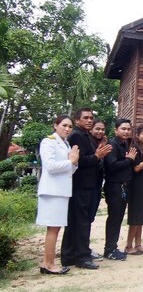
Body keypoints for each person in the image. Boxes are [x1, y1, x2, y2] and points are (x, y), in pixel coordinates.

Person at [61, 108, 111, 270]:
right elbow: (78, 161)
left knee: (77, 221)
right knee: (81, 222)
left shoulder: (87, 136)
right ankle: (82, 257)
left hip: (89, 185)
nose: (89, 120)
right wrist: (97, 156)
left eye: (91, 118)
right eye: (86, 118)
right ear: (77, 120)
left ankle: (69, 255)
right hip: (81, 185)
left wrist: (99, 150)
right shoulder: (76, 135)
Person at [37, 115, 79, 274]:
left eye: (70, 126)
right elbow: (51, 166)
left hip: (62, 191)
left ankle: (48, 262)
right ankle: (48, 264)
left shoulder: (66, 144)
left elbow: (71, 169)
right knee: (53, 228)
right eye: (64, 125)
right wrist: (70, 161)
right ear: (55, 125)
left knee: (56, 228)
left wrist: (74, 162)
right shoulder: (48, 142)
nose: (67, 129)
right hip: (52, 191)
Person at [103, 118, 137, 261]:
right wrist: (129, 160)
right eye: (123, 129)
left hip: (123, 186)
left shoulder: (124, 144)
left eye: (128, 129)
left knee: (118, 218)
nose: (126, 131)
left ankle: (112, 247)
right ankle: (109, 250)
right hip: (114, 186)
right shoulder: (112, 144)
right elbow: (111, 165)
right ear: (116, 130)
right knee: (114, 218)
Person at [125, 124, 143, 255]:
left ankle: (138, 244)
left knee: (141, 216)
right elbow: (136, 168)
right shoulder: (134, 148)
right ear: (137, 135)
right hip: (136, 186)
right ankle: (128, 245)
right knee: (135, 217)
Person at [88, 119, 107, 261]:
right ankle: (82, 249)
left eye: (102, 129)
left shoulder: (100, 144)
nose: (100, 131)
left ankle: (85, 247)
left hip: (96, 184)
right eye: (97, 129)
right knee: (85, 219)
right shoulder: (88, 143)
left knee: (90, 217)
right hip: (86, 185)